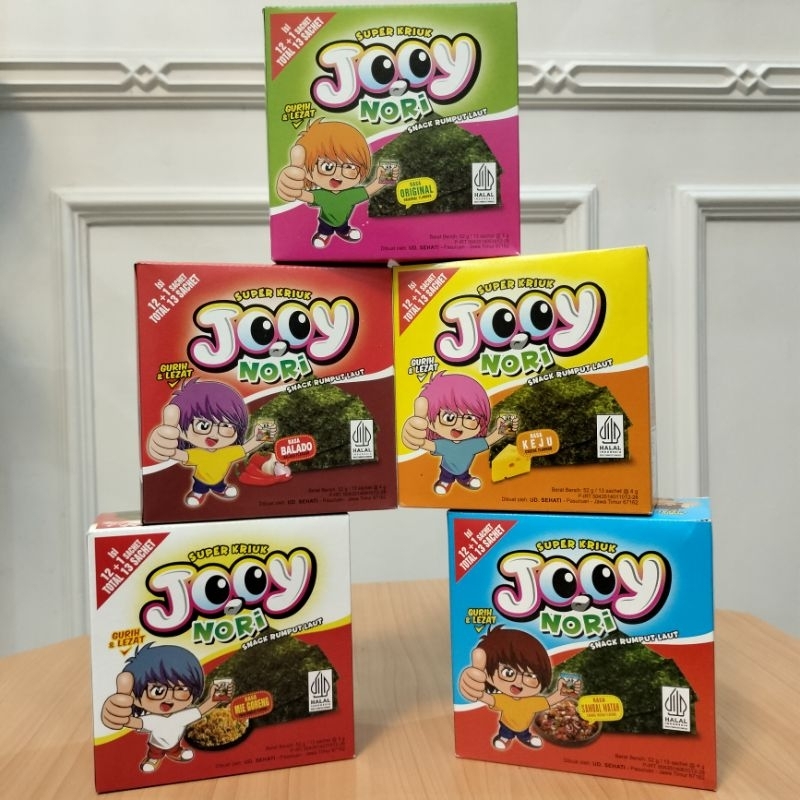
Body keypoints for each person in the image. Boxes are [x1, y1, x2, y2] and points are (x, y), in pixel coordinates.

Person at [146, 378, 277, 507]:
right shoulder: (196, 453)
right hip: (201, 480)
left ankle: (220, 490)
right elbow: (176, 454)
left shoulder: (229, 452)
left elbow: (248, 447)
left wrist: (264, 434)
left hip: (219, 478)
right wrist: (162, 447)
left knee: (219, 485)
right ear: (182, 429)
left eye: (226, 426)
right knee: (199, 489)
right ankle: (197, 494)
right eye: (203, 426)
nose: (214, 434)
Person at [100, 643, 223, 773]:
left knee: (175, 748)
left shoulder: (182, 716)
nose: (169, 698)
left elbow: (201, 710)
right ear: (136, 698)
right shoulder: (152, 719)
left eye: (181, 689)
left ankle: (176, 753)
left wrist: (214, 698)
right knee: (155, 753)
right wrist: (116, 716)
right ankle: (153, 759)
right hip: (156, 746)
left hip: (175, 743)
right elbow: (131, 721)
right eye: (158, 691)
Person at [276, 118, 396, 248]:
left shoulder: (352, 194)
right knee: (325, 229)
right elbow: (302, 194)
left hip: (343, 220)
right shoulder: (322, 195)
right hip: (326, 221)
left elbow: (370, 190)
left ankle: (344, 232)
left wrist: (384, 178)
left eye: (349, 167)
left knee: (343, 227)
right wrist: (290, 187)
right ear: (308, 172)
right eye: (327, 167)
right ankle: (323, 235)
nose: (338, 175)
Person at [458, 626, 578, 751]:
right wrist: (472, 688)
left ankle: (526, 738)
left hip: (524, 727)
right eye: (508, 673)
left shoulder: (533, 702)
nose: (518, 682)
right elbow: (484, 697)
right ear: (488, 675)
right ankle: (504, 738)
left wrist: (563, 692)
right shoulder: (503, 699)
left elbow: (550, 701)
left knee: (524, 734)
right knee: (505, 733)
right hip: (507, 725)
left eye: (530, 676)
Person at [401, 371, 518, 494]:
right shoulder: (443, 444)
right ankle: (445, 482)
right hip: (447, 469)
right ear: (431, 423)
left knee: (463, 475)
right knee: (446, 477)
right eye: (449, 418)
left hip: (464, 468)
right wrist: (413, 436)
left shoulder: (473, 444)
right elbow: (425, 443)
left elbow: (490, 440)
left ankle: (465, 480)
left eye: (470, 418)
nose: (459, 425)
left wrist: (504, 429)